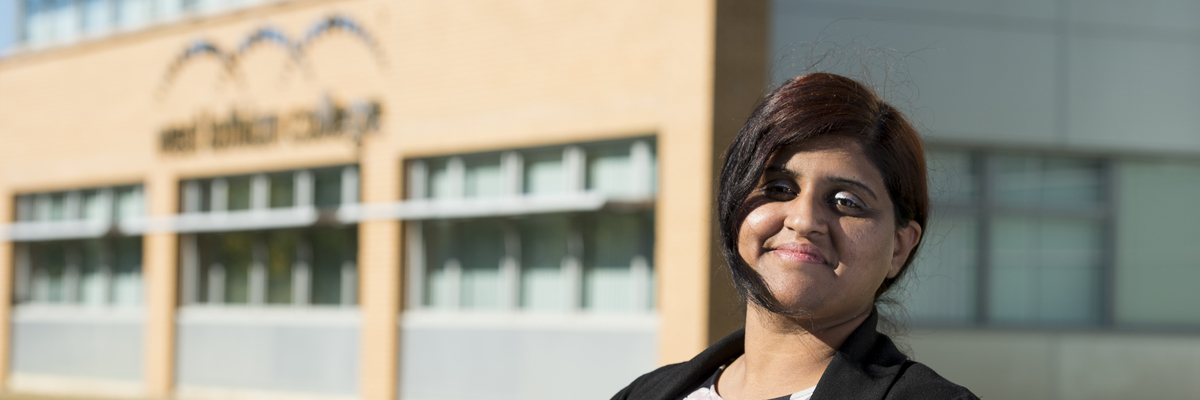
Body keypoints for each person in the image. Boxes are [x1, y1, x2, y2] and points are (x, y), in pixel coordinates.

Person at [611, 73, 978, 400]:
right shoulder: (643, 393)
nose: (804, 220)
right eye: (779, 188)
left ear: (899, 247)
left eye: (846, 201)